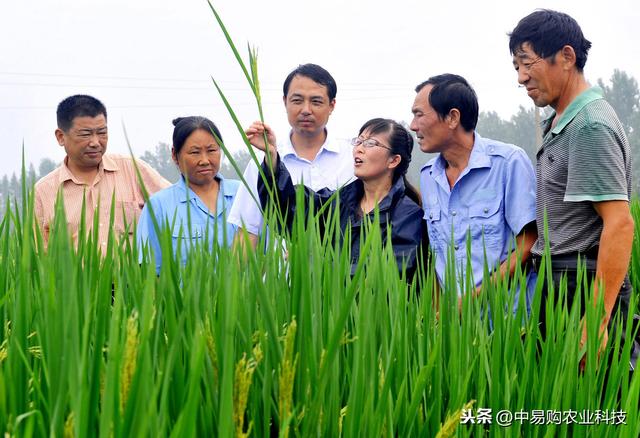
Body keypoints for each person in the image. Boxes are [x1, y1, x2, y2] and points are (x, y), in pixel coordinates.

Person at [509, 9, 638, 368]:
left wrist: (595, 319)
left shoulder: (588, 126)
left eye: (527, 63)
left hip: (581, 284)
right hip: (561, 280)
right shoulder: (563, 121)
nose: (521, 77)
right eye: (515, 67)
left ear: (566, 57)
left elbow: (620, 223)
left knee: (594, 408)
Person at [410, 74, 537, 312]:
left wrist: (473, 299)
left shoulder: (508, 163)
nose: (413, 125)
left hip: (507, 323)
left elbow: (528, 244)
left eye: (419, 114)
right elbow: (436, 258)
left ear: (452, 117)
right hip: (455, 327)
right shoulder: (428, 176)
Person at [247, 118, 425, 277]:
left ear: (393, 160)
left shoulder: (408, 215)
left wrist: (314, 262)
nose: (359, 149)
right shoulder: (338, 203)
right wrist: (272, 157)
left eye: (370, 143)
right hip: (328, 313)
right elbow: (289, 210)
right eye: (359, 141)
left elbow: (390, 271)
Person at [228, 63, 354, 250]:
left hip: (343, 277)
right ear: (285, 101)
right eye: (297, 100)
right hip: (283, 278)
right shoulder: (264, 163)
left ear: (332, 105)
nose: (306, 109)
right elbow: (248, 233)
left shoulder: (352, 158)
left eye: (316, 101)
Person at [34, 95, 169, 253]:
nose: (95, 142)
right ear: (61, 137)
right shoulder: (43, 192)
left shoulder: (132, 169)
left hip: (135, 277)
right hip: (78, 279)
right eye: (85, 134)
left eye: (102, 133)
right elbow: (37, 258)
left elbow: (178, 207)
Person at [137, 116, 239, 273]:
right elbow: (149, 274)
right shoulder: (158, 206)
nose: (204, 160)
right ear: (174, 155)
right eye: (195, 152)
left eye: (212, 150)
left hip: (243, 297)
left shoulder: (244, 195)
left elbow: (267, 257)